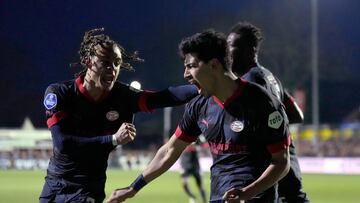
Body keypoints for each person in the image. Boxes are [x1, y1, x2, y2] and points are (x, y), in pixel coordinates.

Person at [106, 30, 290, 203]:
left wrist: (246, 193)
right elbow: (170, 150)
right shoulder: (199, 105)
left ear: (214, 65)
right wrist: (133, 188)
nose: (186, 74)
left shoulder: (262, 103)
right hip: (218, 197)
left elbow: (282, 162)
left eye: (191, 66)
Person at [39, 28, 198, 203]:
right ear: (87, 61)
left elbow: (162, 97)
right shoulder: (60, 93)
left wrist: (202, 86)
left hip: (87, 188)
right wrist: (113, 139)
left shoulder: (123, 96)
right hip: (54, 184)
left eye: (116, 63)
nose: (112, 69)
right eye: (105, 62)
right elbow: (63, 144)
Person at [227, 21, 310, 203]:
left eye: (231, 47)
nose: (227, 53)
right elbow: (297, 115)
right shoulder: (270, 77)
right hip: (287, 174)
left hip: (275, 175)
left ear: (249, 50)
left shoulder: (252, 80)